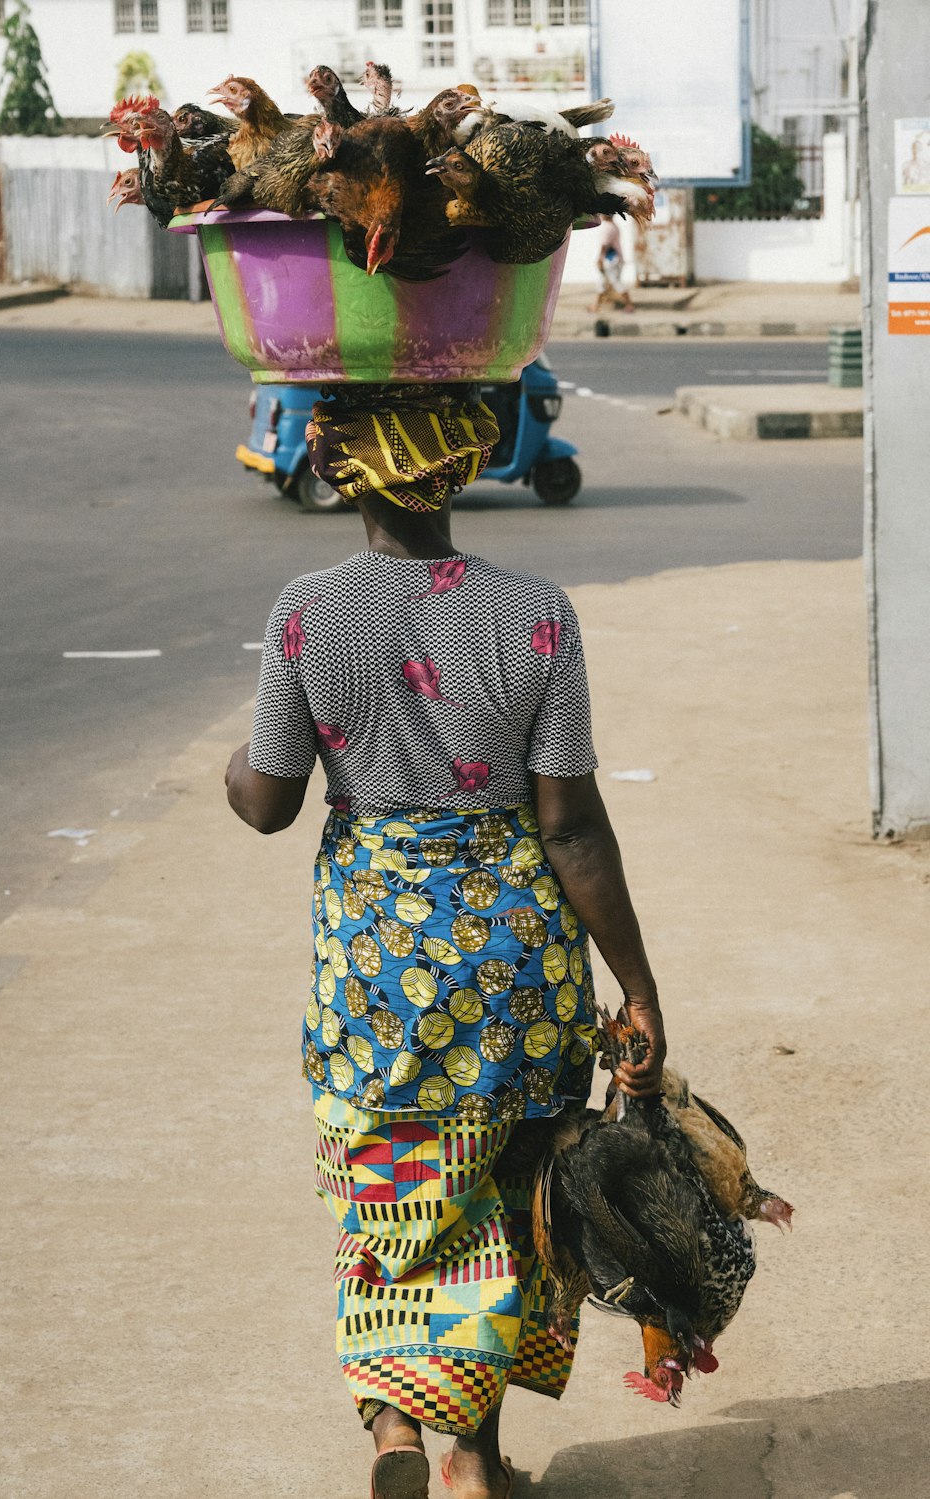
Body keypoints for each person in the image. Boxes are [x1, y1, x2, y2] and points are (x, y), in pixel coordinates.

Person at [226, 468, 665, 1499]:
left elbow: (266, 802)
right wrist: (635, 982)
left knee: (387, 1181)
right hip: (510, 960)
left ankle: (392, 1425)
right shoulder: (534, 612)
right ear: (463, 465)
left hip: (377, 964)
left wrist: (232, 762)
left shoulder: (308, 610)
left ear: (344, 472)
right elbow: (570, 823)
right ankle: (475, 1457)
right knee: (508, 1196)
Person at [589, 214, 635, 313]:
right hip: (614, 258)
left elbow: (604, 245)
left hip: (610, 259)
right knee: (603, 282)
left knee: (614, 281)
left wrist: (600, 259)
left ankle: (629, 304)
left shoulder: (607, 227)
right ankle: (596, 305)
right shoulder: (613, 226)